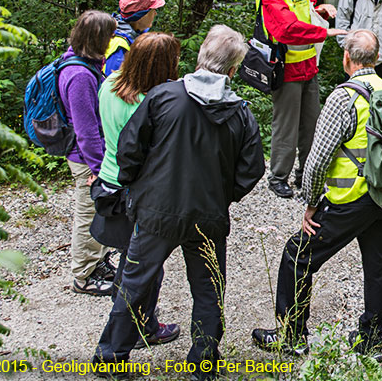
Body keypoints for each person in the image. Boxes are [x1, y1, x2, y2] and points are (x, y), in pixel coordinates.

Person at [94, 25, 265, 378]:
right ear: (233, 70)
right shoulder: (241, 113)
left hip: (157, 211)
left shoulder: (163, 97)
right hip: (208, 215)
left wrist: (136, 188)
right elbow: (251, 171)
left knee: (136, 282)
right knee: (208, 288)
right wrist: (222, 196)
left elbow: (129, 149)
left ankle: (111, 358)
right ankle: (204, 361)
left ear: (201, 56)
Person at [251, 30, 382, 362]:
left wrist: (312, 204)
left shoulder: (344, 98)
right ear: (376, 59)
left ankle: (292, 337)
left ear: (347, 59)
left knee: (297, 255)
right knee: (378, 267)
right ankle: (371, 340)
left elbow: (316, 162)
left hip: (352, 199)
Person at [90, 32, 181, 349]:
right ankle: (143, 327)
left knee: (131, 257)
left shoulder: (108, 85)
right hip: (139, 190)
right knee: (146, 267)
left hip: (108, 181)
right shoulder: (152, 104)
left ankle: (136, 317)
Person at [258, 0, 346, 198]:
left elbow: (305, 13)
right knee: (286, 126)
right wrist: (324, 32)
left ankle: (306, 173)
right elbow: (285, 29)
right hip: (285, 69)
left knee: (312, 125)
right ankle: (278, 177)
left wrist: (321, 11)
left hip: (309, 66)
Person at [58, 10, 117, 297]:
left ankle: (99, 262)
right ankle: (84, 274)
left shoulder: (85, 63)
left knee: (101, 210)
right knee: (88, 211)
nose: (112, 42)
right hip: (85, 158)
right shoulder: (79, 75)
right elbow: (86, 131)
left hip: (92, 155)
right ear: (98, 38)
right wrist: (98, 168)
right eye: (109, 36)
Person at [104, 0, 166, 76]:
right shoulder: (119, 45)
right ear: (141, 16)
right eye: (152, 10)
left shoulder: (136, 34)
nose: (155, 14)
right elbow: (112, 83)